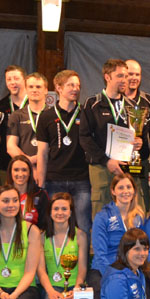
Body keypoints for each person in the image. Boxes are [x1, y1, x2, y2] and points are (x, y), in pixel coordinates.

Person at [80, 59, 144, 219]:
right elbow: (84, 137)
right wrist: (106, 160)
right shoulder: (92, 104)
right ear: (107, 77)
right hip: (101, 167)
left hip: (126, 168)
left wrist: (138, 142)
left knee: (130, 214)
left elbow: (135, 134)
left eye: (126, 76)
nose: (125, 80)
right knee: (101, 214)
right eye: (120, 76)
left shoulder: (131, 106)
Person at [35, 69, 91, 234]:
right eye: (70, 85)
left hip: (81, 179)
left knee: (83, 225)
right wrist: (41, 184)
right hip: (54, 179)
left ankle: (82, 252)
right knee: (55, 225)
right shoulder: (46, 116)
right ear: (58, 88)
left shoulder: (86, 114)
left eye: (78, 85)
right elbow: (42, 153)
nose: (75, 89)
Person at [124, 59, 150, 209]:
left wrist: (143, 141)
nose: (134, 78)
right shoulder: (115, 100)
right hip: (120, 162)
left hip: (141, 161)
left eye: (137, 74)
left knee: (143, 204)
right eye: (130, 74)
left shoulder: (149, 101)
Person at [6, 72, 49, 172]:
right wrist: (28, 162)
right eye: (31, 87)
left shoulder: (53, 115)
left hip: (49, 168)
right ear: (25, 89)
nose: (34, 90)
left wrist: (37, 159)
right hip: (24, 170)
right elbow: (11, 146)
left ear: (46, 90)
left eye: (38, 87)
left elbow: (56, 146)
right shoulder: (16, 115)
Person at [0, 65, 28, 185]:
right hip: (6, 165)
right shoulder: (0, 106)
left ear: (24, 80)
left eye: (16, 78)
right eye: (9, 79)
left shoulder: (34, 104)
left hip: (30, 164)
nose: (12, 82)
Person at [5, 155, 49, 229]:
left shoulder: (40, 195)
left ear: (29, 173)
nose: (20, 174)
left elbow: (45, 225)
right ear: (10, 172)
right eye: (16, 170)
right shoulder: (1, 195)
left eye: (24, 170)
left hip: (33, 235)